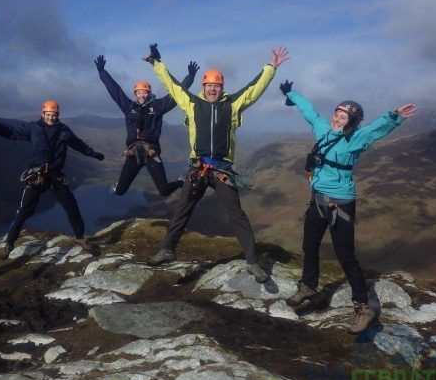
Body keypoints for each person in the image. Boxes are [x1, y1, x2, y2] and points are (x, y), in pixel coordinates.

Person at [143, 43, 289, 281]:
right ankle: (166, 250)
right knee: (182, 210)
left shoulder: (232, 104)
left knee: (237, 214)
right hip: (198, 169)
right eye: (209, 86)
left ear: (222, 87)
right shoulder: (192, 103)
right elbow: (172, 84)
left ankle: (252, 262)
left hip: (222, 170)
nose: (213, 89)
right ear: (203, 87)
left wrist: (271, 66)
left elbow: (254, 88)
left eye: (217, 86)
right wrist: (156, 63)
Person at [280, 80, 417, 334]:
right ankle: (308, 287)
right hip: (318, 200)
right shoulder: (323, 129)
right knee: (309, 246)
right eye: (336, 113)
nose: (337, 118)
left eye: (343, 117)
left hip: (340, 204)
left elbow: (376, 130)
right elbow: (310, 112)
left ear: (351, 122)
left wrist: (394, 116)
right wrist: (291, 94)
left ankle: (364, 307)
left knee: (346, 256)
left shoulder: (355, 140)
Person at [0, 100, 105, 258]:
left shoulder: (64, 131)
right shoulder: (33, 128)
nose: (51, 118)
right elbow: (11, 132)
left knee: (72, 207)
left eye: (54, 115)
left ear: (58, 115)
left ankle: (80, 238)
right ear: (42, 114)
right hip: (38, 176)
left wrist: (94, 154)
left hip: (56, 176)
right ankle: (8, 245)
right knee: (23, 211)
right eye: (48, 115)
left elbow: (79, 145)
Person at [94, 54, 198, 197]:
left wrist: (190, 78)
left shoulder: (158, 106)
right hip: (133, 154)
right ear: (135, 94)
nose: (141, 95)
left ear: (149, 93)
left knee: (164, 191)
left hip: (152, 154)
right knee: (119, 191)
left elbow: (177, 94)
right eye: (139, 93)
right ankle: (118, 187)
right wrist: (102, 72)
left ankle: (180, 182)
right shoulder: (128, 106)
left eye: (144, 93)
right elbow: (115, 91)